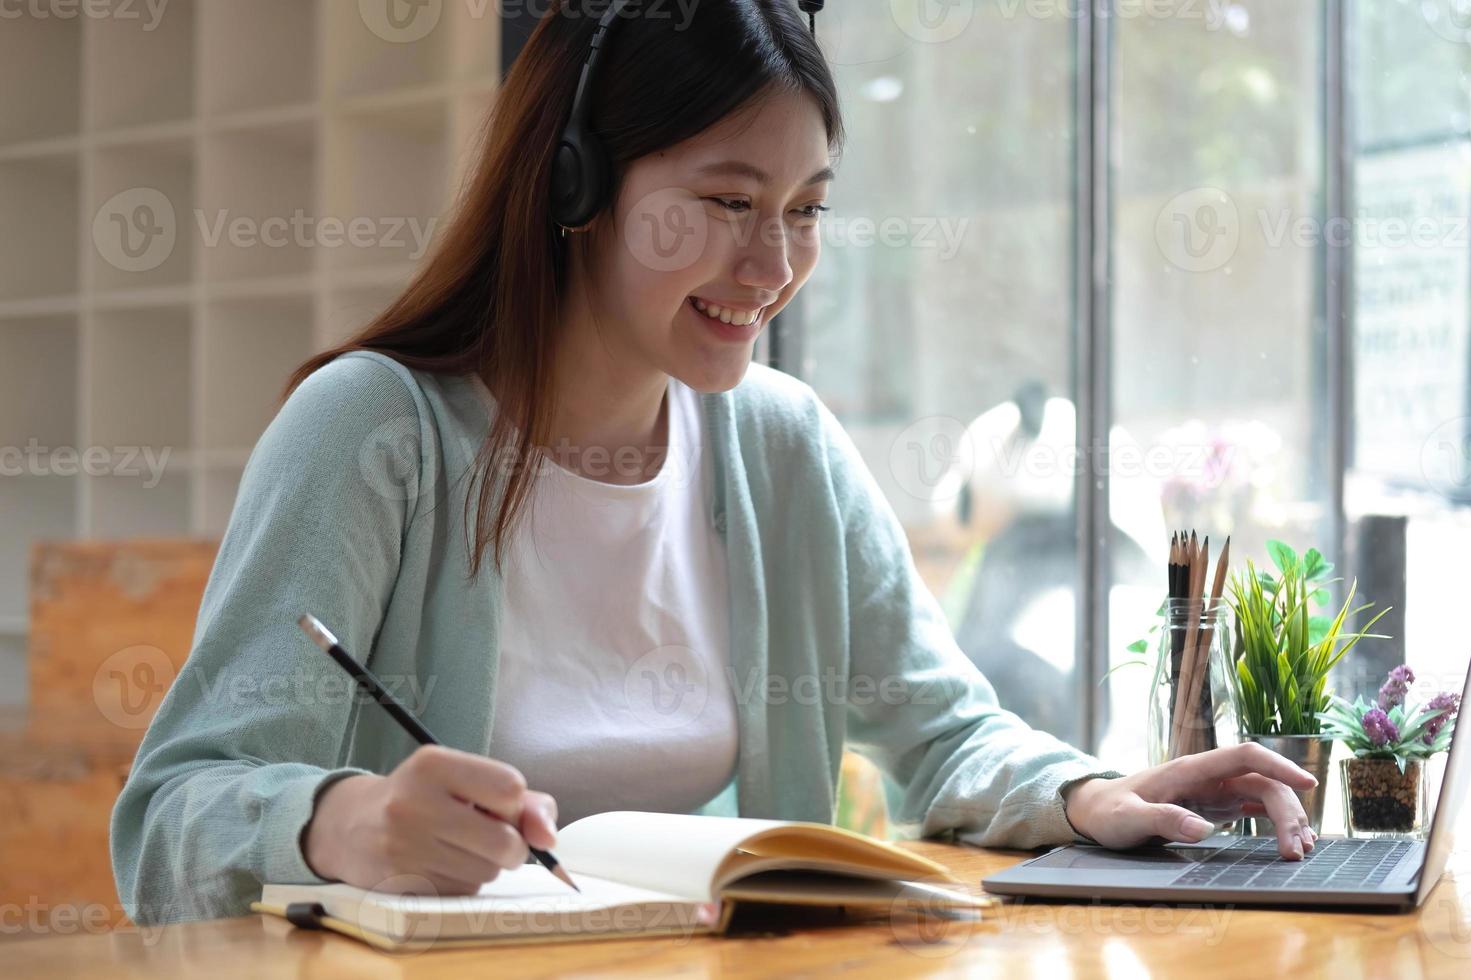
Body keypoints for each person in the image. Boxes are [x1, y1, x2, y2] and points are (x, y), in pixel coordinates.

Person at [110, 0, 1317, 925]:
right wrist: (344, 818)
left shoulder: (779, 442)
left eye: (804, 209)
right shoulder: (376, 430)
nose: (772, 263)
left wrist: (1089, 796)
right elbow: (169, 812)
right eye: (727, 202)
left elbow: (943, 732)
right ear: (575, 184)